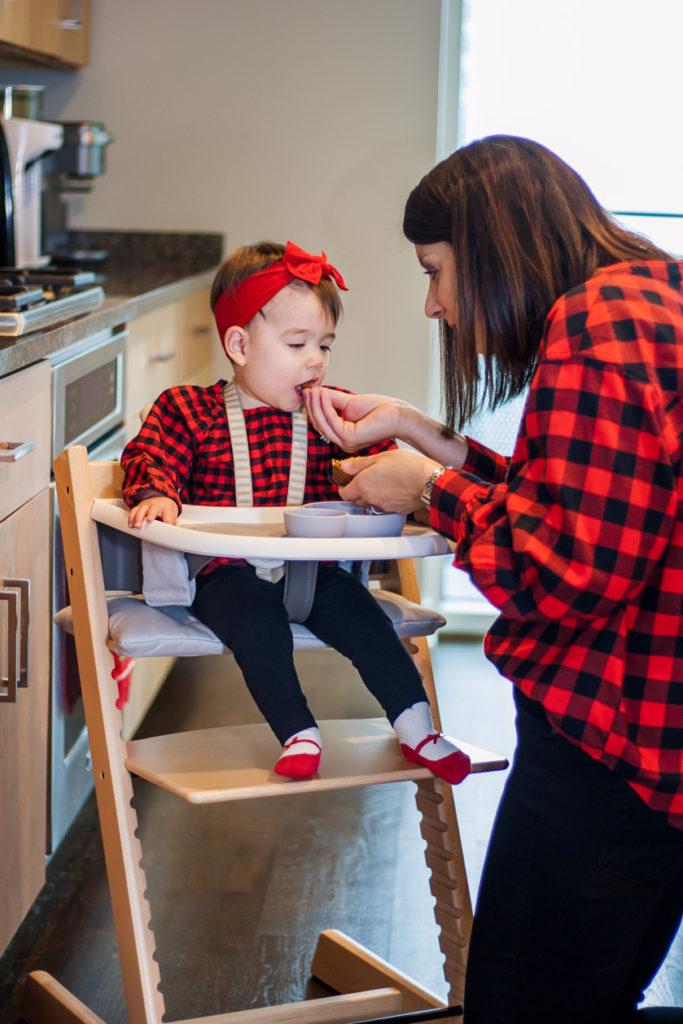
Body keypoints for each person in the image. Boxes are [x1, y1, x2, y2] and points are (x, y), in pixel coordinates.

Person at [303, 137, 683, 1022]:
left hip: (609, 748)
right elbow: (591, 501)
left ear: (491, 244)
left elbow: (567, 569)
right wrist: (423, 436)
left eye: (435, 270)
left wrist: (430, 492)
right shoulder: (652, 292)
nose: (434, 304)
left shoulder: (597, 324)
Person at [120, 239, 470, 785]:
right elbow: (151, 454)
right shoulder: (190, 411)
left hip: (317, 576)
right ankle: (298, 732)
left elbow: (381, 469)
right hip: (227, 577)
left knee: (371, 625)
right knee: (259, 632)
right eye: (297, 343)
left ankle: (418, 726)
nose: (316, 360)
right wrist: (156, 494)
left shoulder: (331, 416)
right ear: (238, 343)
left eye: (325, 345)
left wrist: (385, 476)